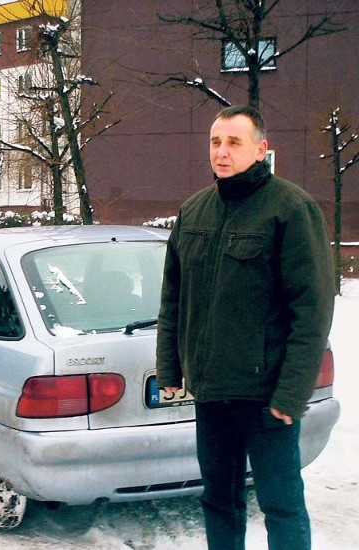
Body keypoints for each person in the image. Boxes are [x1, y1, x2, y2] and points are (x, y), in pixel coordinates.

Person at [156, 105, 336, 550]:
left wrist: (291, 395)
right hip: (212, 393)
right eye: (216, 142)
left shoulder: (291, 208)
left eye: (234, 142)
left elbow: (312, 311)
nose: (222, 151)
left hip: (267, 397)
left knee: (281, 505)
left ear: (261, 149)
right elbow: (173, 299)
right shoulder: (193, 211)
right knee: (218, 501)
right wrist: (170, 371)